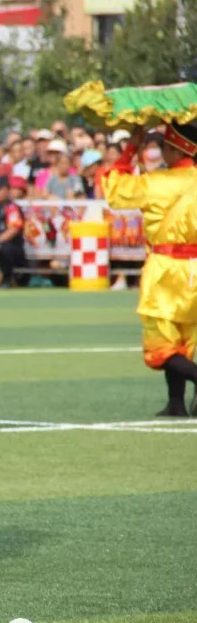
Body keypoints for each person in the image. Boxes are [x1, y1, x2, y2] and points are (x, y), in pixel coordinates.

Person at [102, 122, 197, 417]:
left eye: (165, 147)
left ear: (174, 149)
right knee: (185, 339)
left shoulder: (156, 182)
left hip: (166, 269)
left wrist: (133, 146)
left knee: (161, 343)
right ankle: (177, 403)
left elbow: (115, 189)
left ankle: (183, 395)